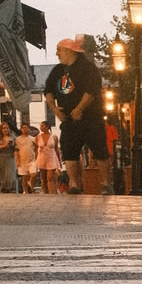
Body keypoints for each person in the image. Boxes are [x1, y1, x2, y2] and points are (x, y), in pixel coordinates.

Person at [43, 37, 109, 194]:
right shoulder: (58, 70)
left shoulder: (87, 68)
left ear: (68, 51)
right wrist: (54, 108)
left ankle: (106, 184)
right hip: (68, 118)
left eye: (59, 50)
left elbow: (92, 90)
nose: (57, 53)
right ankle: (74, 185)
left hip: (91, 117)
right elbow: (48, 90)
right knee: (69, 151)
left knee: (100, 150)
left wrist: (80, 108)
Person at [0, 106, 18, 193]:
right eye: (4, 128)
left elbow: (17, 147)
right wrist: (4, 146)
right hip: (0, 158)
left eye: (7, 127)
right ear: (1, 129)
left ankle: (11, 190)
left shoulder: (12, 137)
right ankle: (4, 190)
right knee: (3, 175)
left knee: (10, 174)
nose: (6, 129)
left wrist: (14, 147)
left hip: (10, 157)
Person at [34, 119, 61, 194]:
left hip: (51, 158)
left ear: (47, 127)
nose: (41, 127)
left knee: (50, 177)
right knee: (43, 178)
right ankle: (45, 192)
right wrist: (36, 158)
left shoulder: (54, 137)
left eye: (42, 126)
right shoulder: (38, 137)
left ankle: (51, 193)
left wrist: (59, 160)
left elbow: (56, 149)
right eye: (40, 126)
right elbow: (35, 148)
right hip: (42, 157)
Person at [13, 121, 36, 194]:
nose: (25, 129)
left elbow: (36, 149)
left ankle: (31, 188)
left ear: (29, 129)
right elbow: (16, 151)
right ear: (21, 129)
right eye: (23, 128)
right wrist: (17, 161)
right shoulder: (17, 139)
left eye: (27, 128)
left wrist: (37, 157)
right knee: (24, 177)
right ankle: (25, 191)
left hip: (32, 160)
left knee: (33, 174)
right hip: (22, 160)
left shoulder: (33, 139)